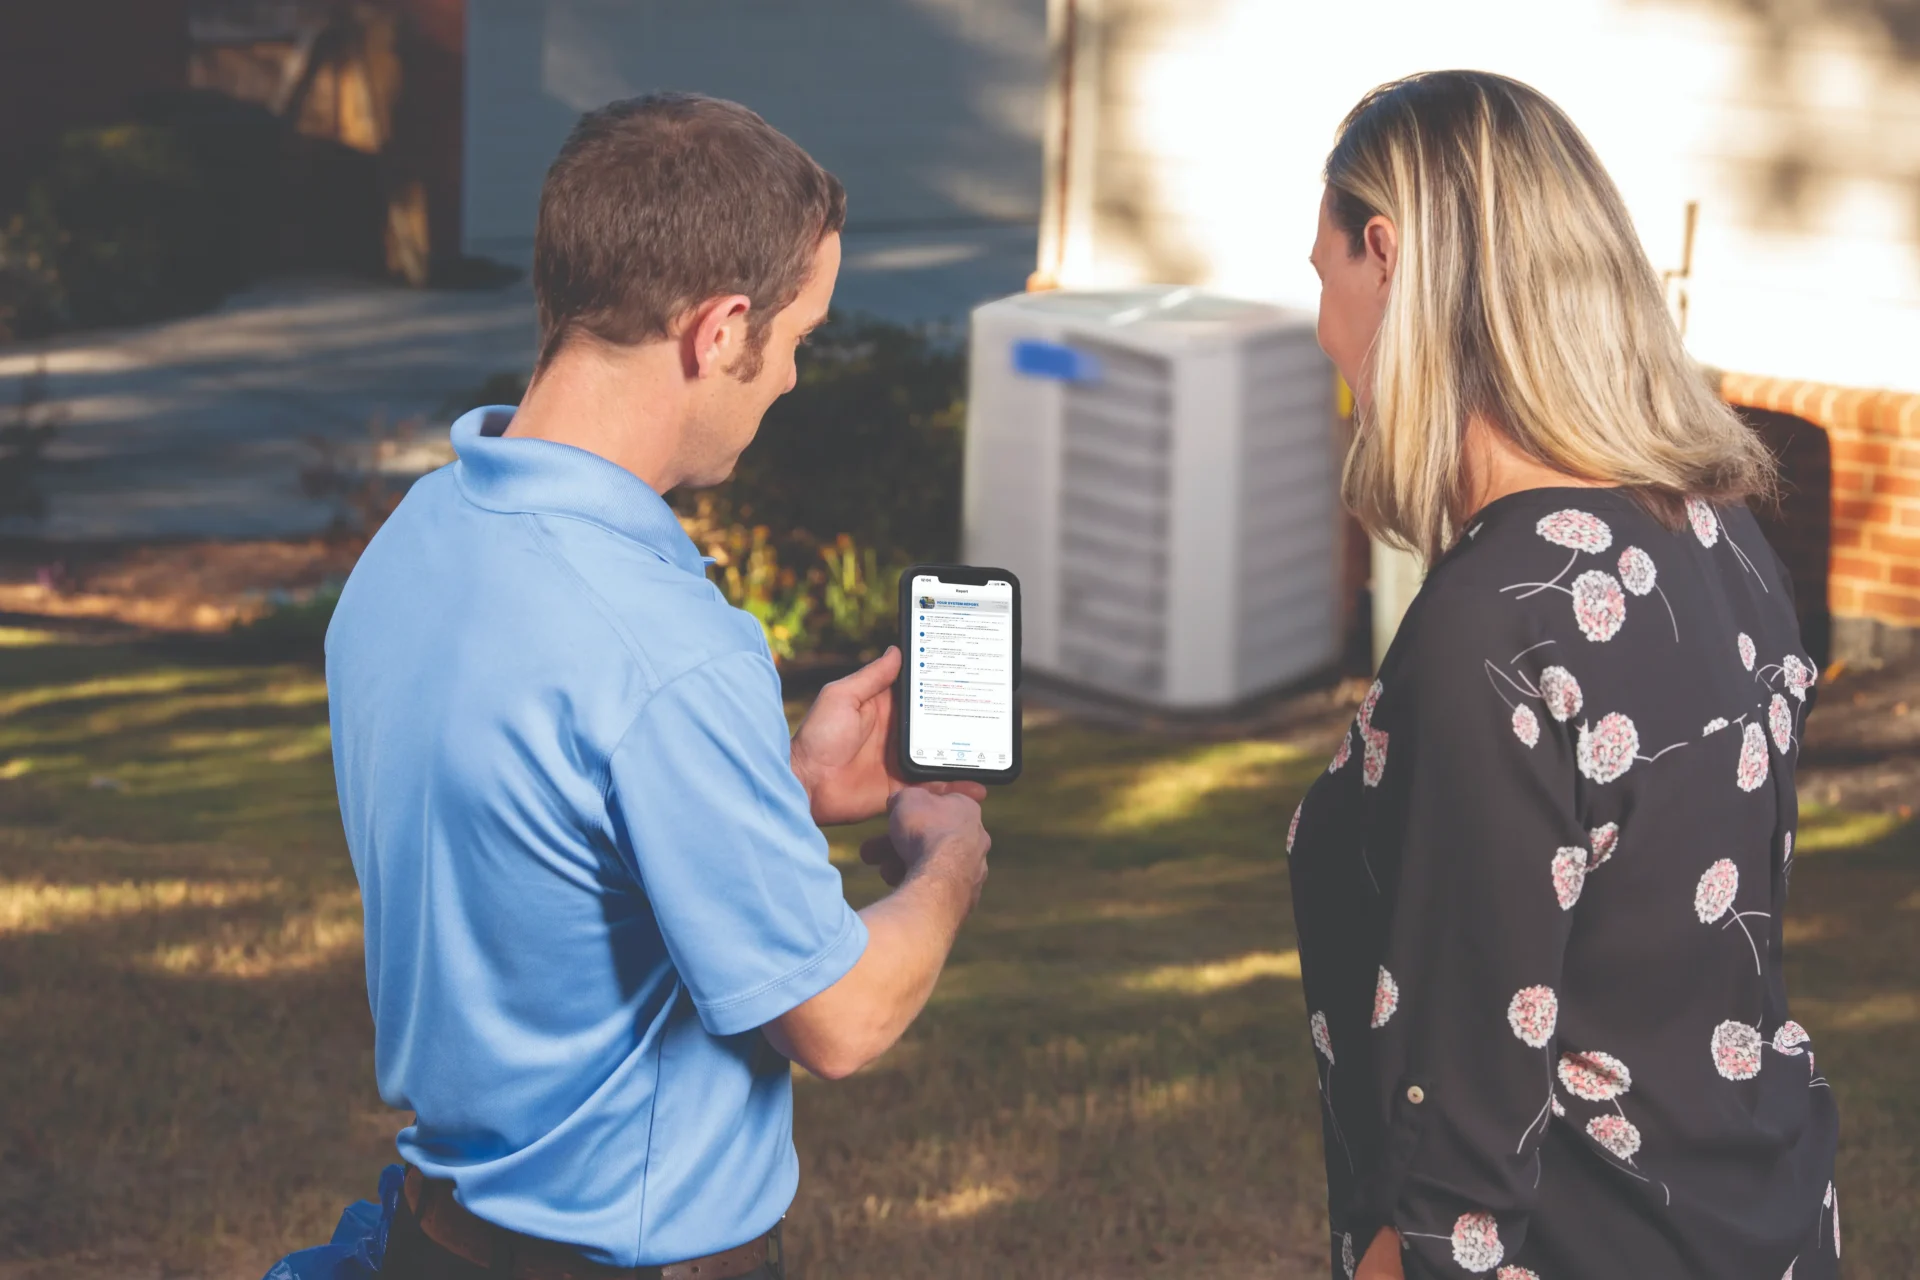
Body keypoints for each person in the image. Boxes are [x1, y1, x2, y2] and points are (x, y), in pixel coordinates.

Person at [324, 93, 991, 1280]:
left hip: (436, 1241)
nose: (788, 378)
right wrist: (947, 860)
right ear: (719, 328)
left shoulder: (417, 540)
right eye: (796, 338)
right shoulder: (664, 647)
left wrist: (772, 787)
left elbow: (542, 870)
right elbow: (838, 1017)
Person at [1288, 71, 1838, 1280]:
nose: (1325, 326)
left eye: (1321, 276)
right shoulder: (1718, 531)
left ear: (1388, 258)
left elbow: (1460, 1172)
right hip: (1761, 1221)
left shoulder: (1496, 628)